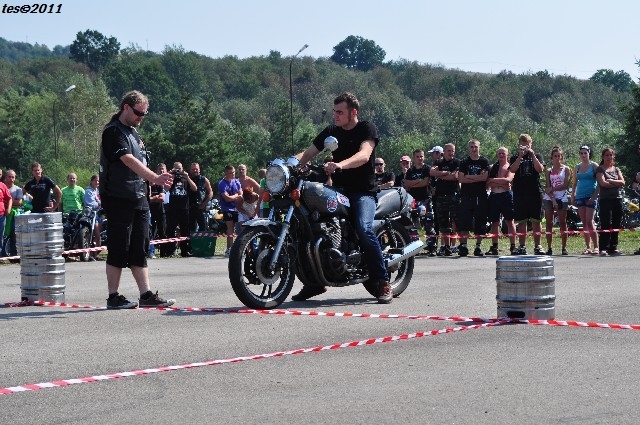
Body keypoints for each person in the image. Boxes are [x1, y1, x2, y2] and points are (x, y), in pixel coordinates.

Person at [294, 92, 392, 303]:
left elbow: (364, 155)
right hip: (338, 191)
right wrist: (286, 165)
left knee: (363, 228)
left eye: (339, 112)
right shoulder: (331, 131)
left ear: (353, 112)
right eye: (334, 111)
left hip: (363, 192)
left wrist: (340, 164)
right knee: (308, 226)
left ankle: (382, 280)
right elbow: (308, 153)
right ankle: (314, 282)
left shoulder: (366, 128)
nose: (335, 115)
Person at [99, 90, 175, 309]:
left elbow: (141, 161)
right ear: (126, 107)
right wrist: (155, 178)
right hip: (118, 197)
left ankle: (146, 294)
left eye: (144, 114)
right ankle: (113, 296)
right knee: (118, 246)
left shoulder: (134, 133)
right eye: (138, 113)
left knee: (140, 246)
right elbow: (128, 160)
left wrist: (149, 188)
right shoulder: (113, 132)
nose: (141, 117)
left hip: (139, 198)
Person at [509, 133, 545, 255]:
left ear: (531, 145)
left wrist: (532, 155)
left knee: (536, 220)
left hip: (535, 192)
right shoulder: (515, 157)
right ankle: (522, 246)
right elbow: (512, 170)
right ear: (519, 145)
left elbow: (540, 169)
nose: (525, 148)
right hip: (520, 193)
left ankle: (538, 246)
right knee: (521, 221)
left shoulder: (537, 156)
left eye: (527, 146)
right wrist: (520, 156)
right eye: (522, 146)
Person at [456, 139, 490, 257]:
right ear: (468, 148)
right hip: (466, 196)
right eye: (471, 147)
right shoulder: (464, 162)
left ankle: (478, 247)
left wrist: (468, 177)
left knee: (480, 222)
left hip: (480, 196)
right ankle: (464, 246)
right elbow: (461, 179)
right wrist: (477, 177)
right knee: (464, 222)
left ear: (479, 147)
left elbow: (484, 178)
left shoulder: (484, 161)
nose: (474, 149)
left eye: (475, 147)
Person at [403, 149, 436, 255]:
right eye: (417, 156)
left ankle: (432, 247)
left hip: (426, 199)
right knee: (413, 224)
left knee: (428, 224)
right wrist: (418, 181)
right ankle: (415, 247)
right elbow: (406, 184)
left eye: (421, 156)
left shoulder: (427, 168)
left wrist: (414, 183)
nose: (419, 158)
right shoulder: (410, 171)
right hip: (413, 201)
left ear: (424, 157)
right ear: (414, 158)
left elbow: (425, 182)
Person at [430, 143, 460, 256]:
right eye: (449, 150)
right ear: (444, 151)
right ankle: (446, 247)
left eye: (453, 151)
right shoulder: (438, 162)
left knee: (455, 221)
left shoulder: (457, 162)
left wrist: (440, 175)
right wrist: (446, 173)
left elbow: (454, 176)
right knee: (444, 223)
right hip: (441, 196)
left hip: (453, 195)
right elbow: (431, 172)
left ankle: (454, 245)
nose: (451, 153)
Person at [486, 147, 516, 255]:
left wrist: (494, 181)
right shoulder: (492, 167)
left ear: (507, 155)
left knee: (510, 221)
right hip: (494, 196)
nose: (501, 155)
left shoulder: (510, 167)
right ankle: (495, 246)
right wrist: (501, 182)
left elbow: (508, 180)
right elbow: (488, 182)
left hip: (506, 195)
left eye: (503, 153)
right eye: (499, 153)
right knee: (494, 222)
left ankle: (513, 246)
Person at [595, 147, 625, 256]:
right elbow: (603, 183)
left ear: (613, 156)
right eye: (606, 155)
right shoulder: (600, 169)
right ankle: (603, 247)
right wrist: (616, 183)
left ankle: (613, 247)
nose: (609, 157)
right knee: (606, 223)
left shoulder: (616, 169)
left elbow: (623, 182)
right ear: (603, 157)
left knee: (617, 223)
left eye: (610, 155)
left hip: (617, 198)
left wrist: (611, 181)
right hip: (605, 200)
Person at [571, 145, 600, 255]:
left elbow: (600, 183)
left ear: (589, 154)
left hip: (590, 196)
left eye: (585, 153)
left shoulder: (594, 165)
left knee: (590, 221)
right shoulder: (577, 167)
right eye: (581, 153)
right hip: (580, 196)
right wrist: (572, 195)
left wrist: (594, 197)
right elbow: (574, 183)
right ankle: (588, 247)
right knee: (584, 222)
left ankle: (596, 246)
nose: (583, 155)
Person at [542, 146, 570, 256]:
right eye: (555, 156)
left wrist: (553, 189)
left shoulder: (566, 169)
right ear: (552, 157)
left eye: (559, 156)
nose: (557, 158)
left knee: (562, 222)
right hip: (549, 198)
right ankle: (549, 247)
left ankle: (564, 247)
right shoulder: (549, 171)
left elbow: (565, 185)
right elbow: (547, 188)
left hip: (562, 197)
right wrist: (553, 199)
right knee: (549, 222)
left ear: (562, 157)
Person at [165, 161, 197, 257]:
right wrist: (170, 175)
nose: (178, 170)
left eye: (179, 168)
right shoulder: (171, 178)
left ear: (182, 169)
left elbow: (195, 188)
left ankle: (185, 250)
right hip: (173, 209)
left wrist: (187, 177)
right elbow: (165, 188)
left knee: (185, 230)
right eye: (176, 168)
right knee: (171, 229)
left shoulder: (185, 179)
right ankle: (170, 250)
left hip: (184, 209)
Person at [218, 165, 243, 257]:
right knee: (230, 228)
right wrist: (236, 196)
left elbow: (241, 193)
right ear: (226, 173)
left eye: (233, 172)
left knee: (241, 228)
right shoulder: (222, 184)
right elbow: (227, 198)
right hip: (227, 208)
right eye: (230, 173)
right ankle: (229, 248)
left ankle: (240, 248)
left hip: (237, 208)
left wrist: (235, 196)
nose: (233, 174)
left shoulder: (236, 181)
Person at [149, 163, 169, 257]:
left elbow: (162, 198)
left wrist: (153, 198)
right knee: (151, 232)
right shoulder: (150, 184)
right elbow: (148, 199)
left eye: (162, 169)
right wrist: (155, 197)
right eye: (159, 169)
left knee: (162, 232)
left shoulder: (160, 185)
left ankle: (163, 253)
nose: (161, 171)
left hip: (161, 211)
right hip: (150, 211)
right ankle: (150, 252)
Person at [188, 162, 214, 233]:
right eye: (193, 169)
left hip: (201, 208)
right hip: (190, 207)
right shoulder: (187, 179)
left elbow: (211, 192)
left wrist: (204, 203)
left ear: (199, 170)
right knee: (190, 228)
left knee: (203, 228)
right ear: (190, 170)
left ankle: (202, 240)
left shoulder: (204, 179)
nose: (195, 170)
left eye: (196, 169)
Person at [2, 169, 23, 258]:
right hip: (2, 213)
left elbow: (19, 202)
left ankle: (14, 253)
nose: (11, 179)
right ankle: (2, 252)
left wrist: (6, 202)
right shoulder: (2, 187)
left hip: (14, 214)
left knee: (14, 233)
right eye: (9, 177)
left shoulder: (18, 189)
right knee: (3, 234)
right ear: (5, 177)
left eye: (13, 177)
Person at [83, 175, 102, 261]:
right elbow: (90, 204)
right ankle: (91, 254)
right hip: (91, 215)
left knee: (98, 236)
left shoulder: (97, 191)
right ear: (91, 181)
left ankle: (95, 254)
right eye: (95, 180)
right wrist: (99, 204)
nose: (97, 182)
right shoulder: (88, 191)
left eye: (98, 181)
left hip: (98, 214)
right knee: (96, 234)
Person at [0, 177, 12, 257]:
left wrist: (9, 208)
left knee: (0, 235)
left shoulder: (2, 185)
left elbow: (9, 198)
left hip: (1, 214)